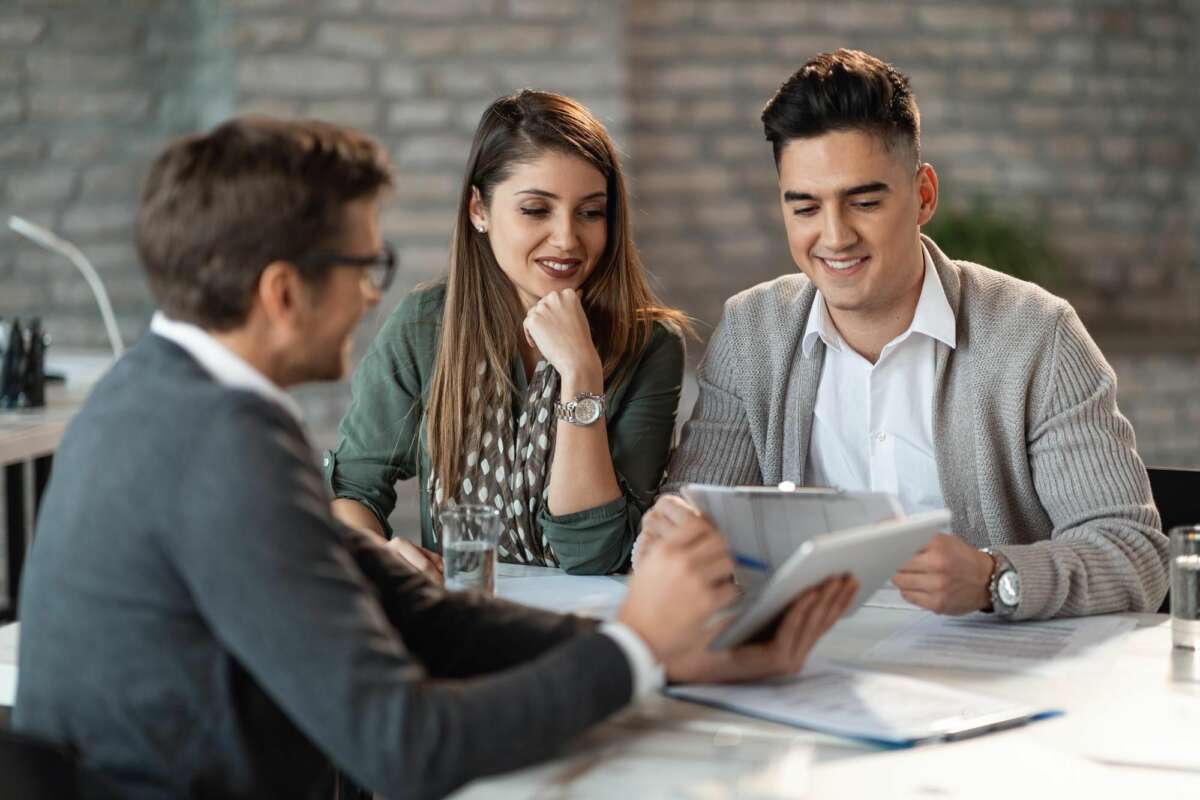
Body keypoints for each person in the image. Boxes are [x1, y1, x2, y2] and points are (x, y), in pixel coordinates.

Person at [13, 116, 857, 800]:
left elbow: (417, 612)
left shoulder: (158, 396)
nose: (374, 293)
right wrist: (634, 651)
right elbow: (406, 748)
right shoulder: (220, 445)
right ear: (281, 291)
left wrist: (675, 654)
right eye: (362, 265)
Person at [641, 49, 1167, 621]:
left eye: (864, 202)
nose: (834, 236)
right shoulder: (752, 333)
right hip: (803, 671)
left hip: (991, 683)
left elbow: (1133, 551)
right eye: (806, 208)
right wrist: (671, 537)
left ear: (923, 195)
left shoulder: (1036, 337)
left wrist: (996, 580)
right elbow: (692, 520)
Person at [326, 89, 688, 579]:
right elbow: (354, 488)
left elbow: (593, 553)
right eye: (536, 210)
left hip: (594, 617)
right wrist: (374, 554)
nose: (567, 238)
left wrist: (581, 373)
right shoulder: (426, 326)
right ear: (479, 209)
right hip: (468, 614)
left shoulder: (650, 344)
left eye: (590, 212)